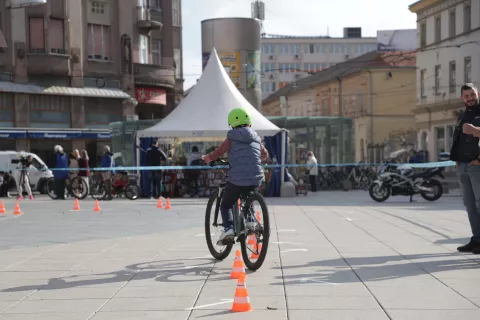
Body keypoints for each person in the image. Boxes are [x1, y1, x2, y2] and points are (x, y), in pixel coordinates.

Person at [201, 108, 269, 245]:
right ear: (249, 123)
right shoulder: (256, 137)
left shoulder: (231, 137)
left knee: (226, 205)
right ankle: (250, 221)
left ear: (232, 123)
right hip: (256, 177)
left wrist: (207, 158)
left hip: (237, 178)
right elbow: (265, 154)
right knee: (247, 194)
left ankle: (229, 229)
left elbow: (218, 152)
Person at [449, 83, 480, 254]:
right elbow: (458, 138)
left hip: (477, 165)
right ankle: (477, 239)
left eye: (472, 94)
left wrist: (476, 130)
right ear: (462, 98)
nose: (470, 98)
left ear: (478, 94)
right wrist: (456, 159)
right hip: (462, 165)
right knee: (469, 205)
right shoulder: (462, 115)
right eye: (466, 96)